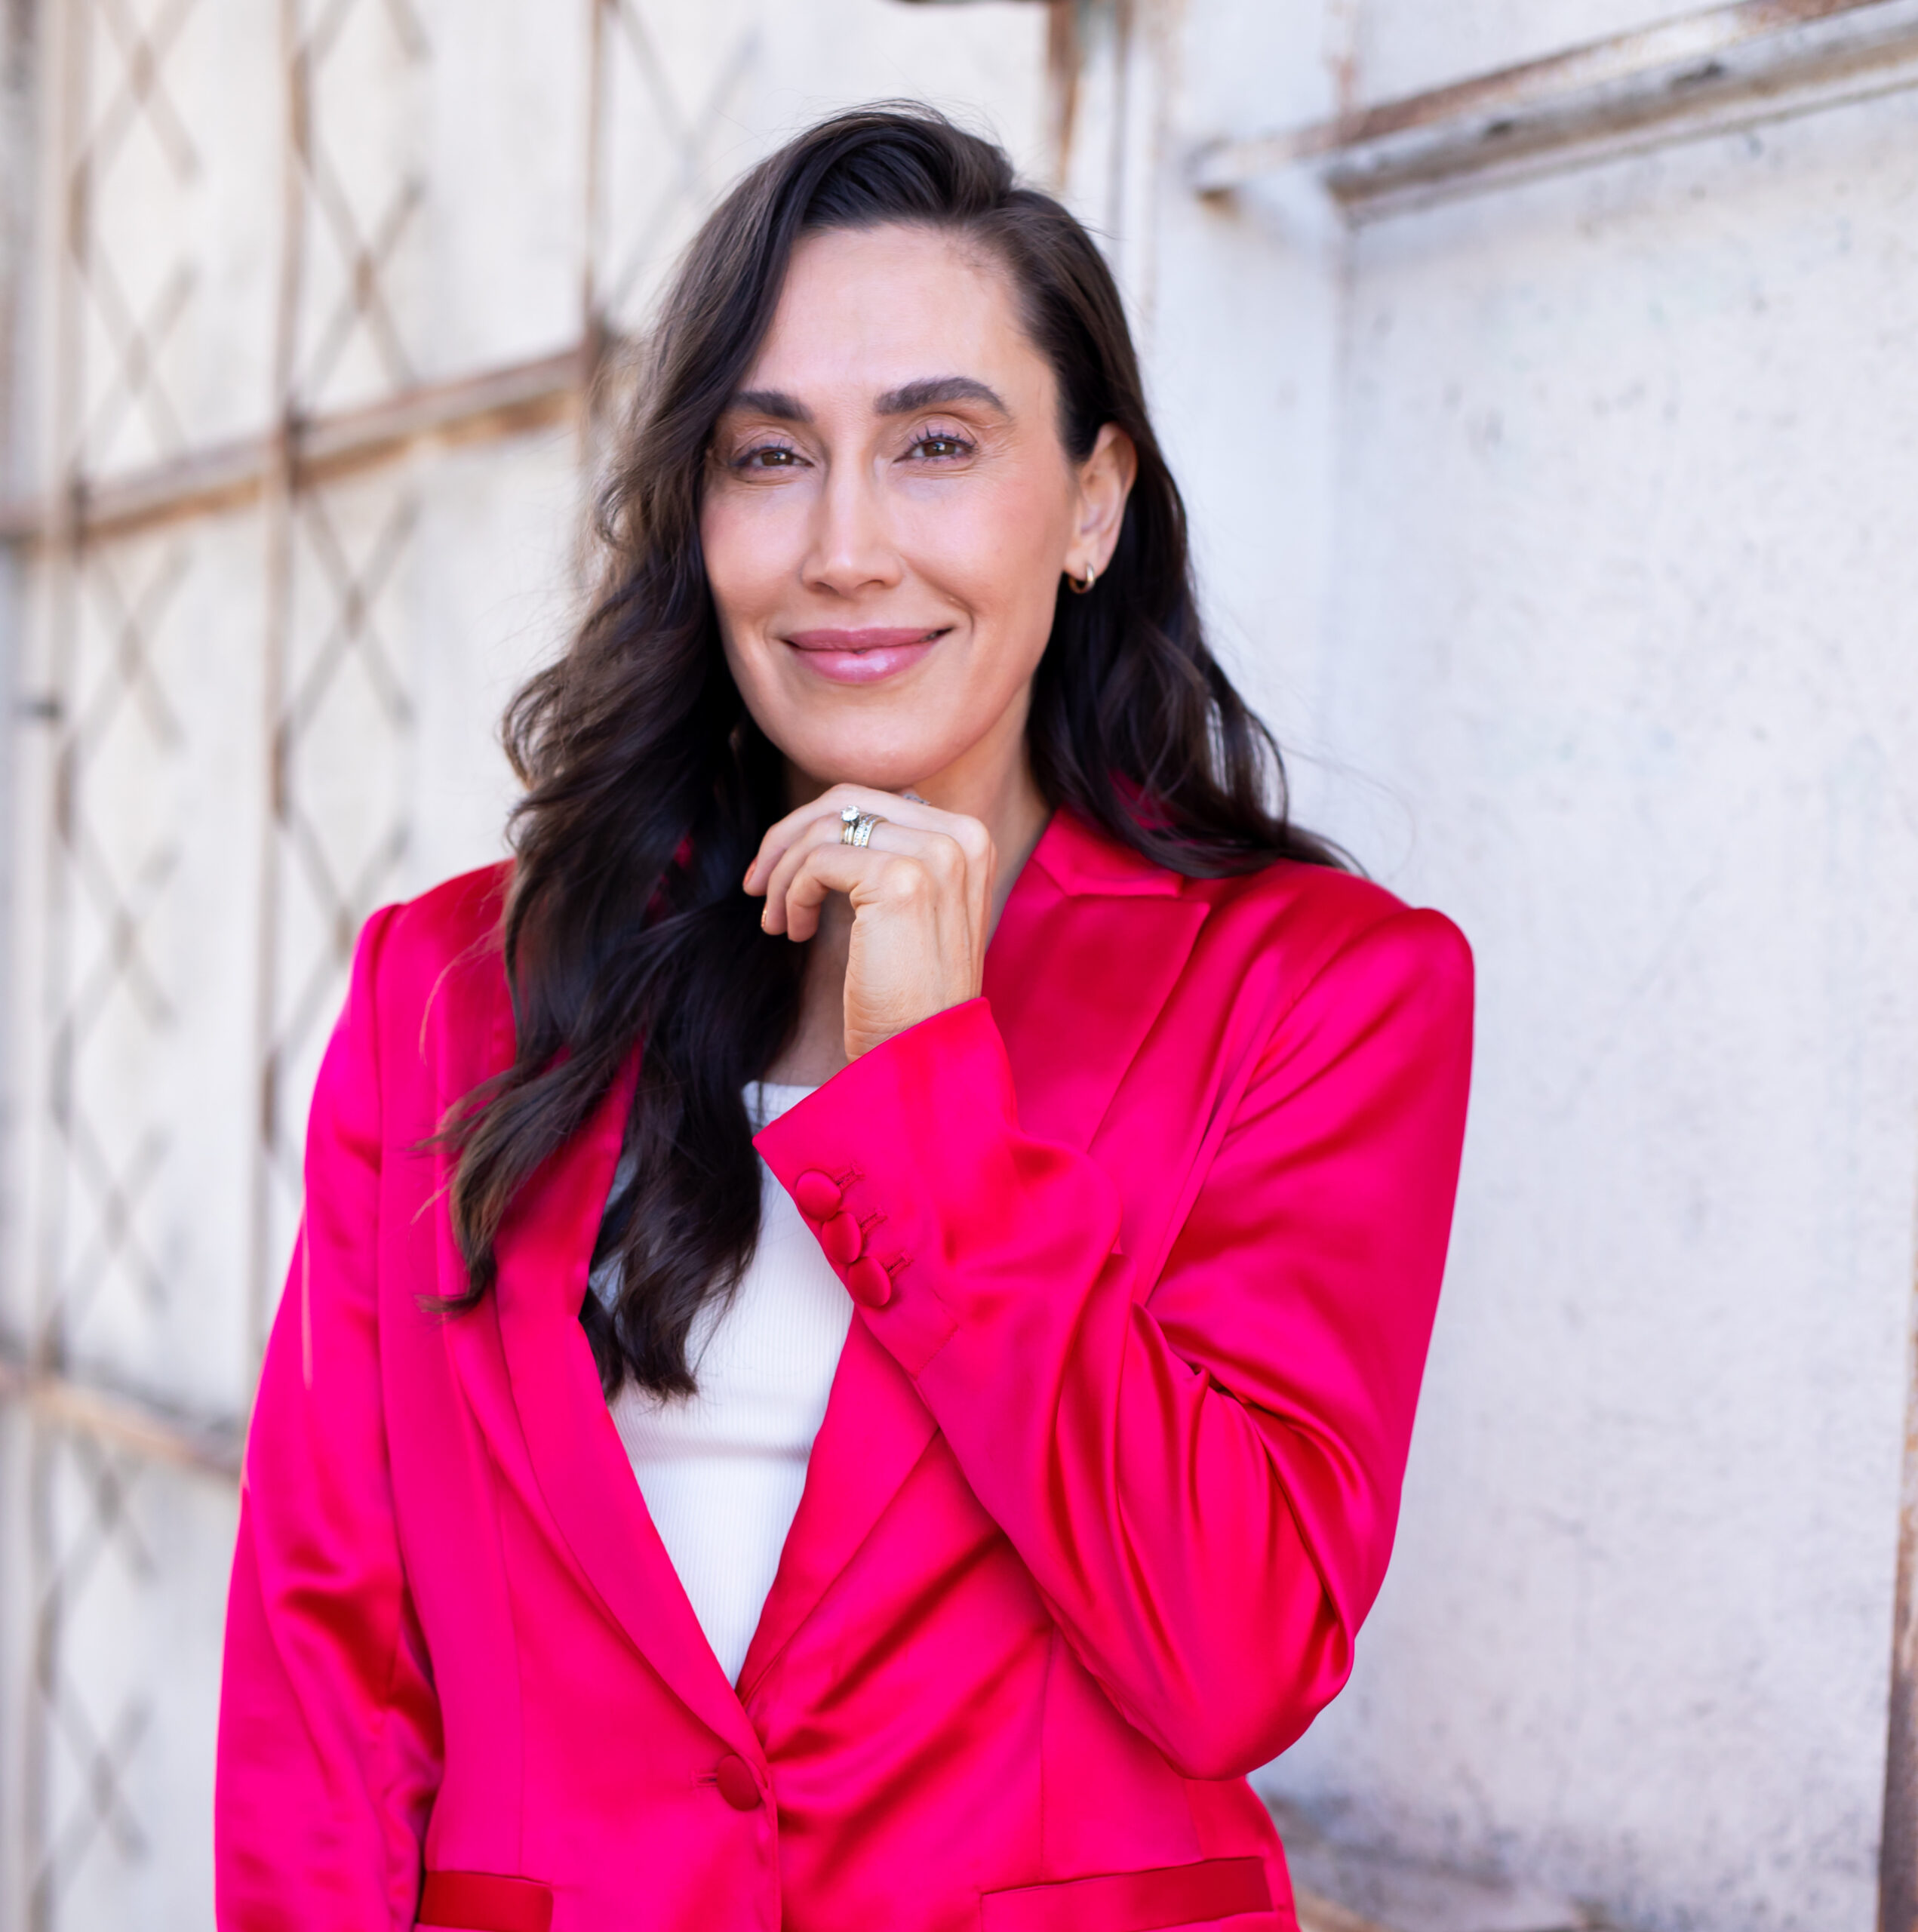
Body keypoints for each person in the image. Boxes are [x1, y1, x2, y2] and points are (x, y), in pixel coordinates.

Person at [214, 106, 1473, 1932]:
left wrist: (926, 1092)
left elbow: (1232, 1650)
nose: (845, 546)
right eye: (767, 454)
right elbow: (326, 1667)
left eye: (937, 445)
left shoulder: (1319, 992)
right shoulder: (453, 992)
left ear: (1094, 500)